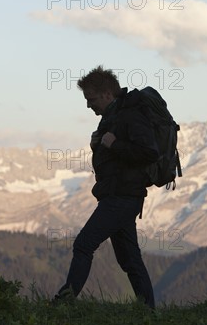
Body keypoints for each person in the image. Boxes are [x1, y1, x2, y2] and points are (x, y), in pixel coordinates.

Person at [55, 66, 158, 309]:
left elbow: (149, 152)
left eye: (91, 99)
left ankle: (64, 303)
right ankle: (148, 311)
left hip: (122, 197)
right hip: (118, 195)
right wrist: (99, 146)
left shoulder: (130, 115)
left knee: (84, 244)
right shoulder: (113, 117)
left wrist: (114, 145)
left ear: (107, 94)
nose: (89, 105)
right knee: (130, 260)